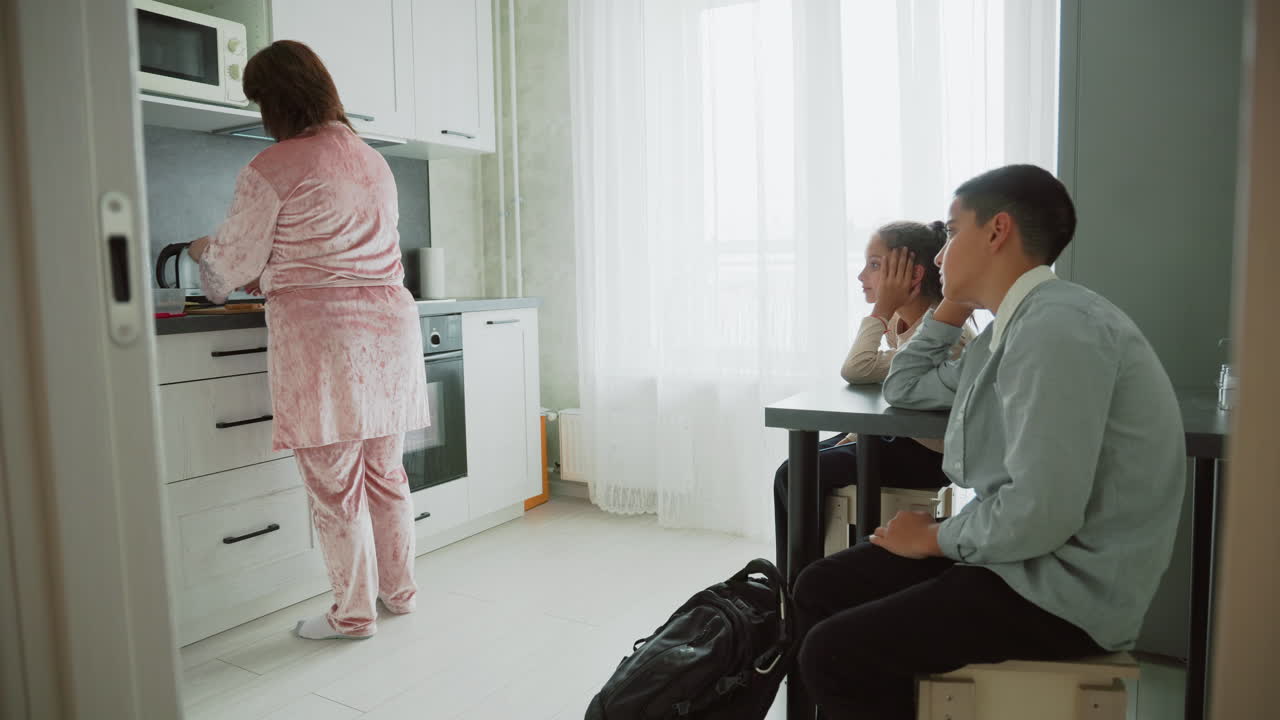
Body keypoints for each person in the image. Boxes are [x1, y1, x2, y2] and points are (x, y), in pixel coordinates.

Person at [792, 164, 1186, 719]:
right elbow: (904, 385)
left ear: (997, 231)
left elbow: (1040, 512)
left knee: (834, 654)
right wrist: (953, 305)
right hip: (1025, 560)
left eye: (952, 233)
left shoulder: (1056, 330)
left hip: (1064, 592)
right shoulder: (1009, 331)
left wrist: (934, 538)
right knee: (821, 585)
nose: (936, 256)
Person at [188, 40, 429, 640]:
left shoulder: (272, 166)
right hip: (389, 332)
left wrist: (201, 254)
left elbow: (234, 266)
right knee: (386, 474)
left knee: (334, 485)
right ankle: (399, 593)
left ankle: (351, 616)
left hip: (324, 338)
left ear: (277, 101)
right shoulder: (373, 159)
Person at [772, 222, 973, 577]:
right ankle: (798, 576)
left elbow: (858, 367)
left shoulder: (941, 335)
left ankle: (804, 579)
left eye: (875, 265)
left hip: (928, 453)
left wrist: (880, 308)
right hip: (898, 437)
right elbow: (873, 369)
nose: (862, 275)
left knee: (794, 474)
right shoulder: (905, 319)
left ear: (912, 275)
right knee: (797, 468)